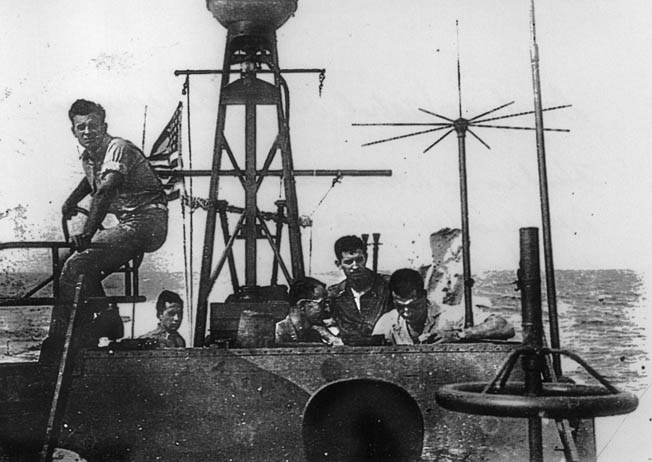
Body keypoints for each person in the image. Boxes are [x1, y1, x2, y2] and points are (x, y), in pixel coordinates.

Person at [49, 99, 168, 349]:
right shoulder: (89, 158)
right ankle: (83, 328)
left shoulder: (117, 147)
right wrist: (71, 201)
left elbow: (104, 190)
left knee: (77, 262)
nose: (87, 132)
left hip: (147, 222)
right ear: (74, 132)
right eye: (81, 127)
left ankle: (103, 320)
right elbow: (90, 181)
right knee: (69, 262)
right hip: (130, 223)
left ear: (104, 126)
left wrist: (87, 233)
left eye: (92, 125)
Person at [372, 268, 515, 345]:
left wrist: (459, 335)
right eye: (400, 307)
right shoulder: (388, 322)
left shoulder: (450, 315)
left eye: (413, 306)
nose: (407, 312)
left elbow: (504, 326)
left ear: (424, 295)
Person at [327, 235, 391, 343]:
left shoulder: (387, 286)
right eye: (348, 262)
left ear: (365, 258)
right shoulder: (335, 295)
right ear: (339, 264)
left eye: (359, 260)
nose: (355, 266)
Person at [275, 277, 343, 345]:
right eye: (322, 304)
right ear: (302, 306)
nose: (327, 310)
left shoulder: (315, 333)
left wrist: (329, 336)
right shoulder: (276, 333)